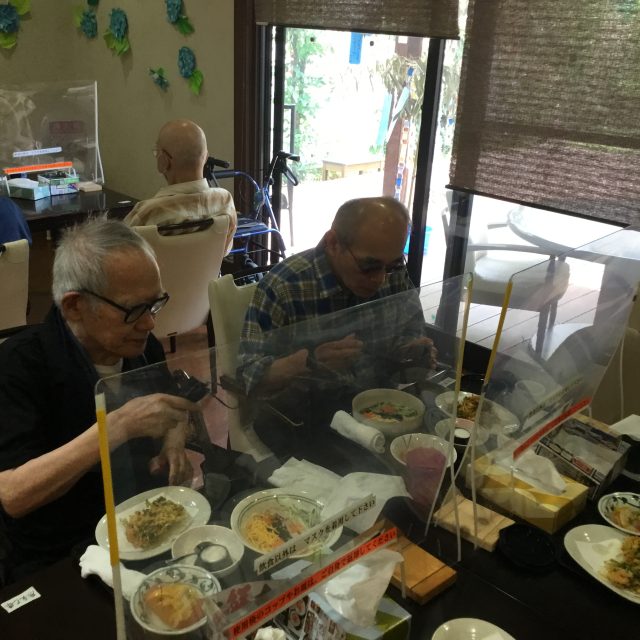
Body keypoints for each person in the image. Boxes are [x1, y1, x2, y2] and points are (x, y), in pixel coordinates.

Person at [0, 218, 199, 583]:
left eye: (155, 304)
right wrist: (117, 426)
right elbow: (14, 494)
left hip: (144, 524)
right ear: (74, 306)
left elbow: (170, 407)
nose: (149, 324)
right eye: (134, 309)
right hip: (61, 552)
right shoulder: (19, 365)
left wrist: (173, 442)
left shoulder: (142, 346)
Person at [237, 196, 437, 461]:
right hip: (305, 422)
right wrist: (309, 362)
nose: (380, 279)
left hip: (379, 410)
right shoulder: (285, 286)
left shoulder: (391, 274)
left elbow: (411, 331)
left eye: (393, 265)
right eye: (369, 266)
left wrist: (411, 352)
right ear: (333, 243)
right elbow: (247, 378)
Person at [124, 119, 237, 253]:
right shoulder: (225, 201)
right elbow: (225, 251)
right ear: (206, 157)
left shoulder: (147, 213)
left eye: (156, 153)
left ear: (163, 161)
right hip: (210, 268)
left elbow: (122, 258)